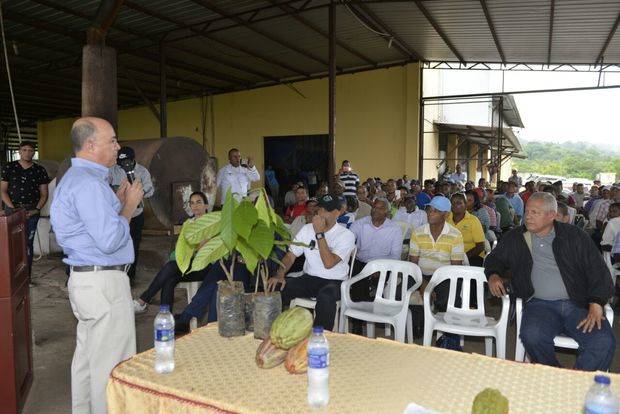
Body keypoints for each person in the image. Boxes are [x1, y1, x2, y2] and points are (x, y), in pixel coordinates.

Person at [51, 117, 144, 413]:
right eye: (112, 141)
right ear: (90, 145)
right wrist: (129, 207)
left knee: (89, 361)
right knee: (111, 365)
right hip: (103, 284)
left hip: (86, 281)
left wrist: (116, 203)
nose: (118, 147)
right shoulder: (89, 184)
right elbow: (108, 240)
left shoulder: (78, 180)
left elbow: (92, 227)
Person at [486, 192, 615, 371]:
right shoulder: (516, 237)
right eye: (527, 211)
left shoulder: (574, 236)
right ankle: (555, 374)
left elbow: (599, 271)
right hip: (539, 305)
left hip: (578, 303)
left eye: (535, 212)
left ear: (551, 216)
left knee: (603, 341)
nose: (528, 216)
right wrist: (493, 274)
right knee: (532, 335)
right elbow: (494, 259)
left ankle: (574, 381)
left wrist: (596, 302)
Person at [267, 194, 356, 331]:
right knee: (276, 287)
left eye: (326, 210)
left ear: (337, 213)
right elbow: (291, 256)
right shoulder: (307, 229)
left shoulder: (346, 235)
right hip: (309, 278)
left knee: (326, 297)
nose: (321, 213)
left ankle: (318, 338)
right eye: (320, 209)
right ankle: (272, 330)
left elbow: (328, 263)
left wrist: (319, 233)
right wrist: (280, 274)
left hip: (335, 281)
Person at [133, 192, 212, 313]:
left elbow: (202, 249)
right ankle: (166, 316)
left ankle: (144, 299)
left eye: (199, 202)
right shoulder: (188, 223)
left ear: (206, 206)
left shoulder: (211, 223)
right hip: (186, 265)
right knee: (169, 277)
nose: (195, 206)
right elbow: (180, 247)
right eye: (192, 203)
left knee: (170, 267)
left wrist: (189, 246)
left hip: (203, 267)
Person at [409, 196, 464, 349]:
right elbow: (413, 264)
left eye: (436, 211)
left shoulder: (455, 234)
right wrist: (424, 283)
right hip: (421, 274)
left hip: (444, 276)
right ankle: (416, 324)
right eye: (429, 209)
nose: (430, 213)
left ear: (446, 215)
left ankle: (450, 338)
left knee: (449, 297)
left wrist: (433, 285)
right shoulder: (418, 232)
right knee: (403, 287)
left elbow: (454, 270)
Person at [1, 140, 50, 275]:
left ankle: (26, 277)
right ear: (19, 151)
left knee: (27, 245)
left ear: (34, 152)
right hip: (12, 211)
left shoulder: (39, 170)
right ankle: (11, 277)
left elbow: (44, 194)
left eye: (30, 150)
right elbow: (3, 191)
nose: (27, 153)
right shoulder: (9, 168)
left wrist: (37, 210)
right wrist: (13, 209)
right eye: (24, 150)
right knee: (10, 244)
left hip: (32, 212)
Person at [109, 146, 154, 284]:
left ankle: (130, 277)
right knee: (116, 245)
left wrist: (138, 193)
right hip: (118, 215)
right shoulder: (112, 171)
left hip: (136, 215)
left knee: (133, 246)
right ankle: (116, 275)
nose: (124, 164)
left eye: (127, 161)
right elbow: (104, 187)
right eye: (121, 161)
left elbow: (150, 190)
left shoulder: (142, 172)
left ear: (133, 159)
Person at [349, 198, 403, 304]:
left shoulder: (395, 229)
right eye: (374, 206)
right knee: (358, 281)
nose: (375, 210)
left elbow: (395, 255)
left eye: (380, 208)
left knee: (379, 288)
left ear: (387, 212)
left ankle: (375, 312)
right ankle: (360, 316)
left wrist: (380, 266)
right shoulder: (360, 224)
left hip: (383, 264)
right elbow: (348, 240)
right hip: (361, 262)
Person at [448, 193, 486, 267]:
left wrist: (463, 258)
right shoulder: (446, 218)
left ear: (465, 205)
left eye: (459, 203)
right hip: (450, 256)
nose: (455, 205)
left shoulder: (473, 220)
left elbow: (480, 246)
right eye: (452, 203)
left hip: (471, 256)